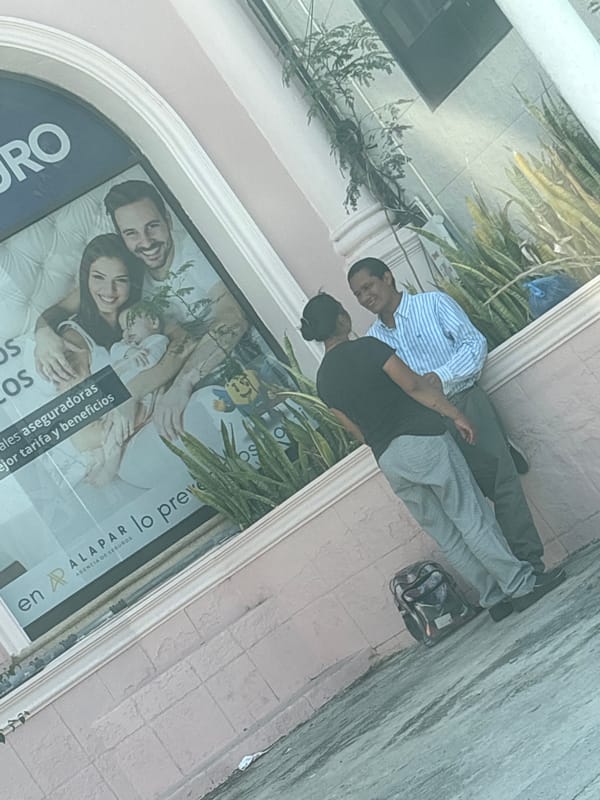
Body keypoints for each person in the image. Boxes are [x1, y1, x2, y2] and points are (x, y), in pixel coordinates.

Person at [300, 293, 565, 620]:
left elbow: (355, 431)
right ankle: (521, 586)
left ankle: (495, 599)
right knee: (471, 515)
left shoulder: (323, 381)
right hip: (422, 439)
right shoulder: (369, 348)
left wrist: (387, 447)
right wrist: (455, 414)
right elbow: (413, 386)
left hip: (388, 459)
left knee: (446, 533)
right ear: (341, 318)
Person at [347, 257, 546, 575]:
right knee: (466, 505)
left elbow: (473, 343)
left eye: (368, 286)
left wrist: (441, 377)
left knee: (501, 484)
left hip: (465, 402)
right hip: (425, 428)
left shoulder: (433, 304)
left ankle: (530, 563)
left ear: (387, 278)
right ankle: (508, 577)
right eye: (357, 294)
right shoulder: (373, 342)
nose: (365, 297)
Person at [34, 180, 248, 441]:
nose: (145, 242)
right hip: (174, 384)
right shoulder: (124, 271)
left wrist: (183, 383)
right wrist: (43, 336)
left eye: (152, 226)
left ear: (167, 220)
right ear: (122, 236)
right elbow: (62, 308)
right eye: (131, 233)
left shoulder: (193, 251)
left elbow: (232, 319)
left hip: (229, 367)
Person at [111, 301, 169, 413]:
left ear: (153, 322)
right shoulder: (127, 345)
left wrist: (124, 363)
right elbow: (114, 350)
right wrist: (129, 351)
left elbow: (148, 361)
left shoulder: (158, 340)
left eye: (131, 324)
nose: (126, 332)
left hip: (142, 397)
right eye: (123, 329)